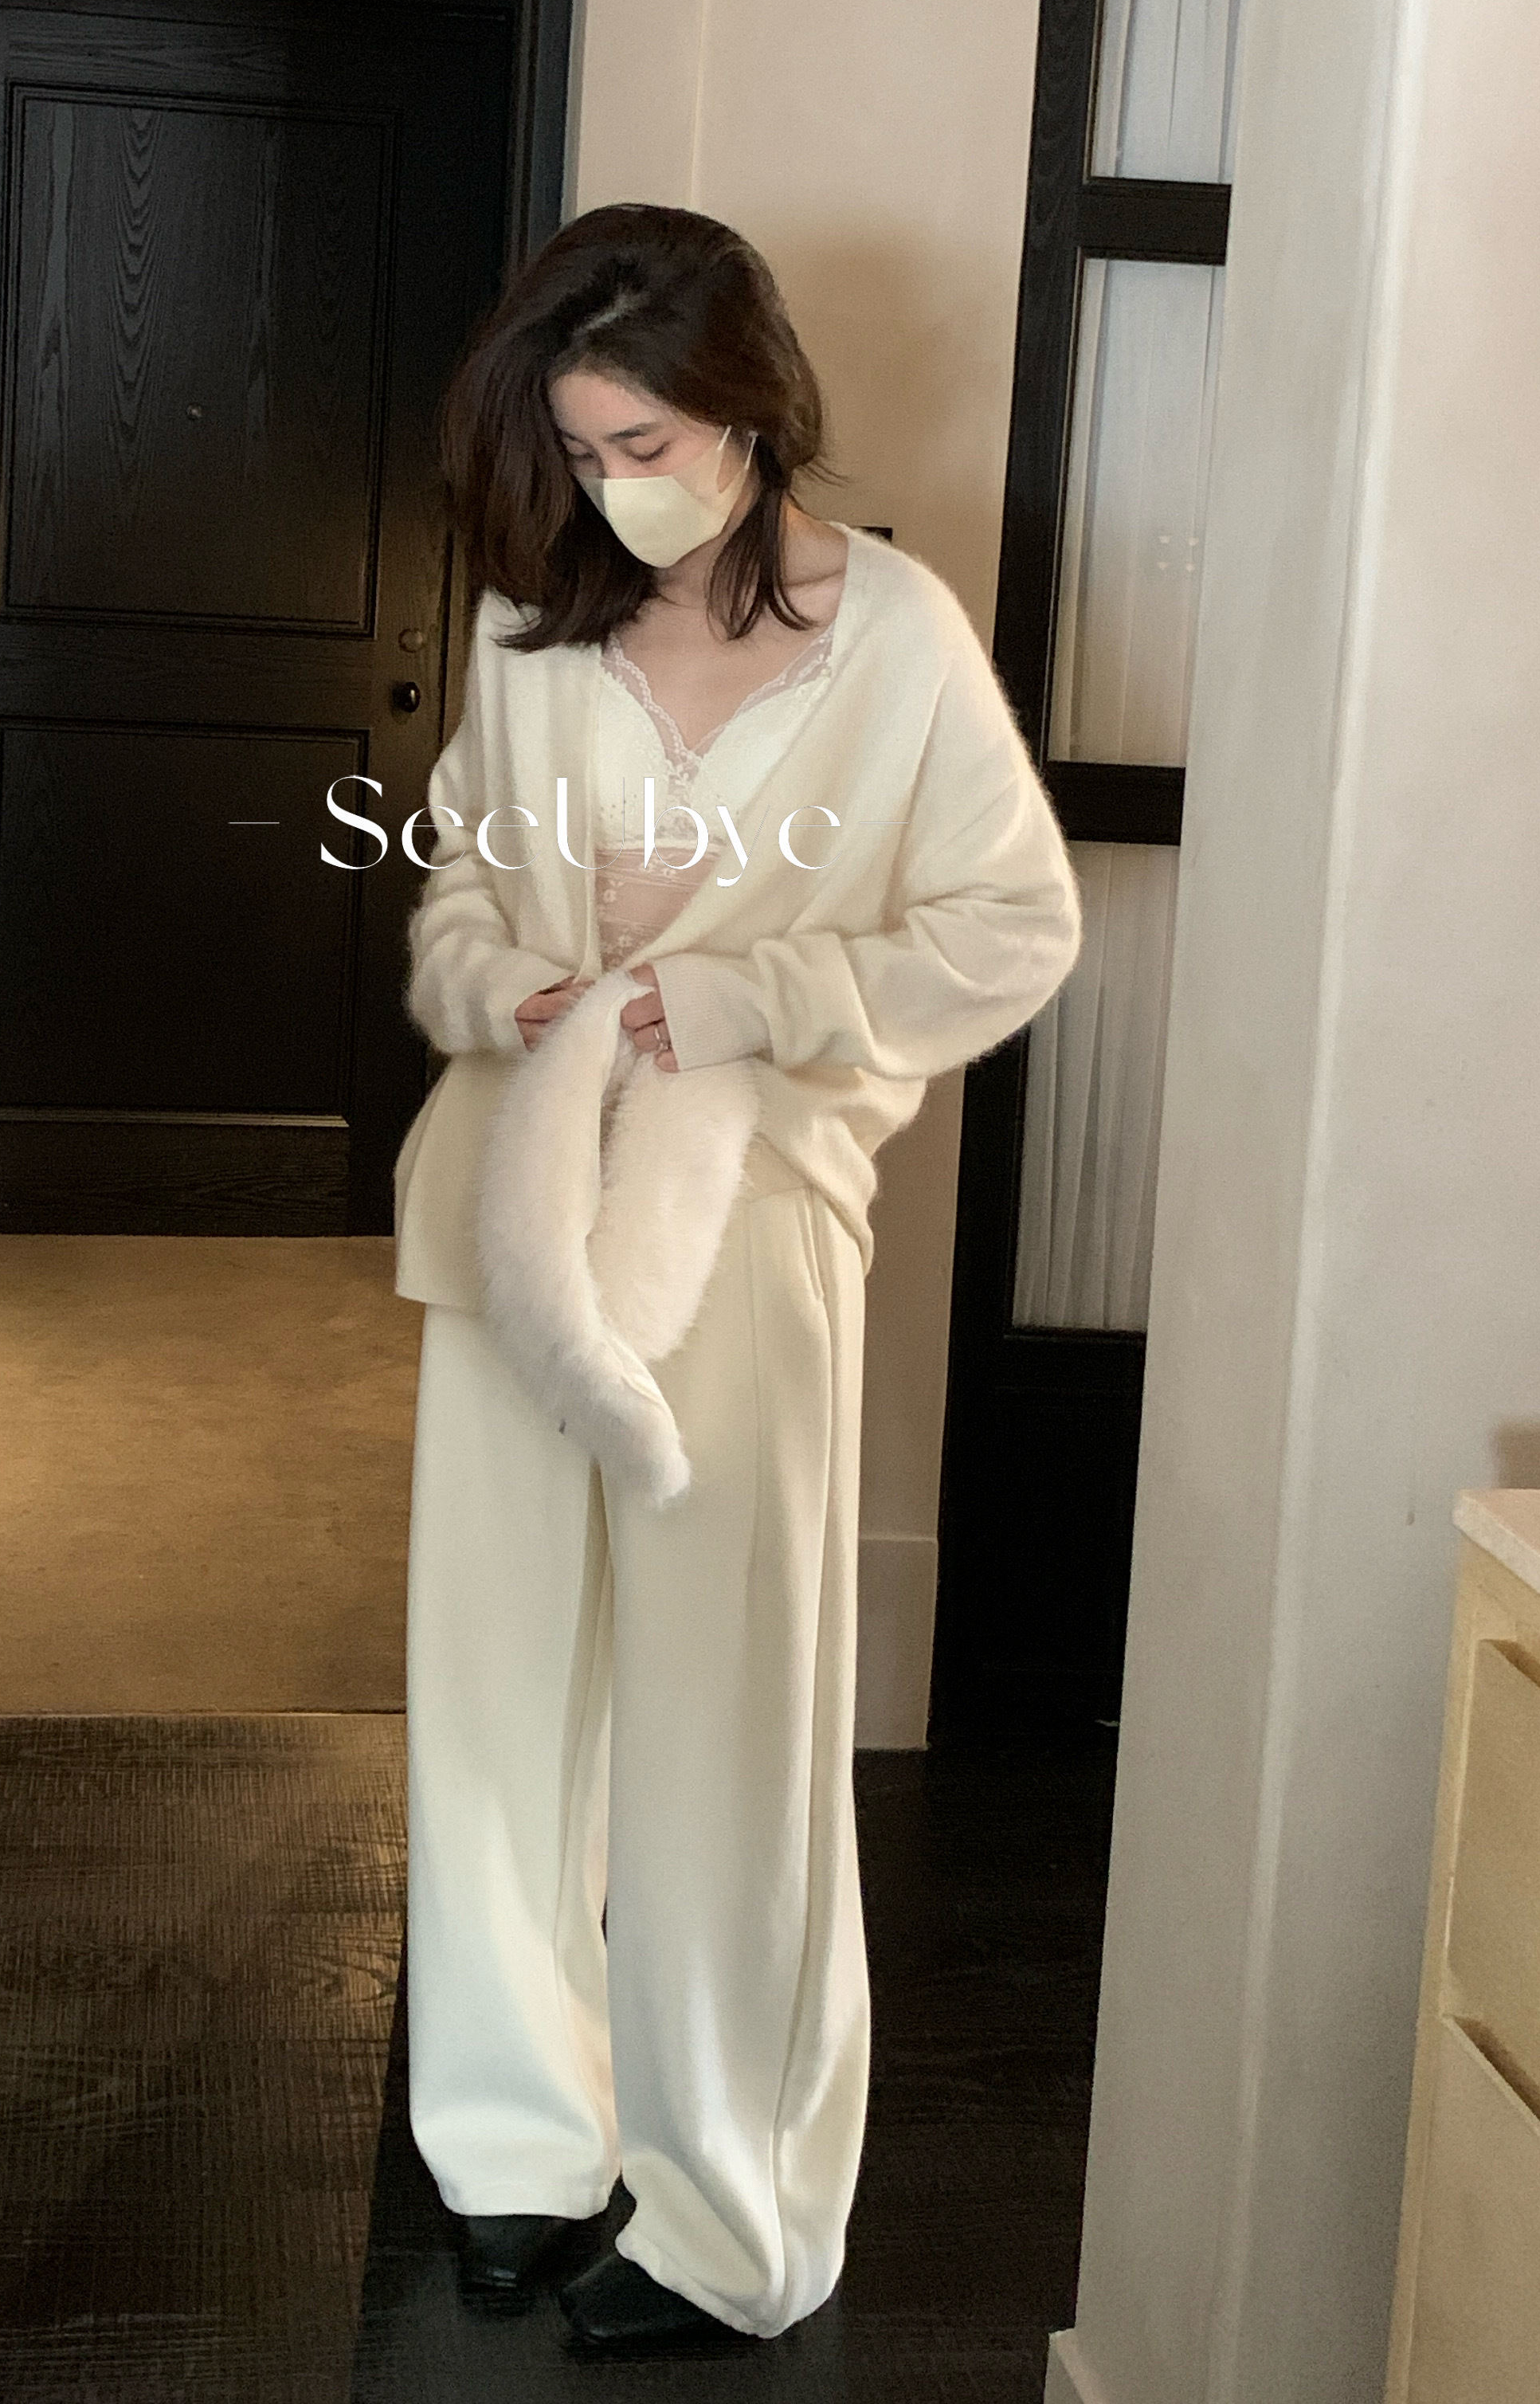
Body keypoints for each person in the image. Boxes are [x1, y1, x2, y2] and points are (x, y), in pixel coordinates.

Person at [392, 202, 1081, 2351]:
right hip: (509, 1209)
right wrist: (517, 989)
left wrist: (744, 995)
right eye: (582, 448)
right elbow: (451, 905)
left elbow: (1013, 928)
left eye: (650, 443)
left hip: (748, 1228)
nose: (615, 486)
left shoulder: (899, 640)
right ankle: (514, 2146)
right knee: (499, 1701)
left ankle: (732, 2217)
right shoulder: (533, 633)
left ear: (755, 411)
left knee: (732, 1730)